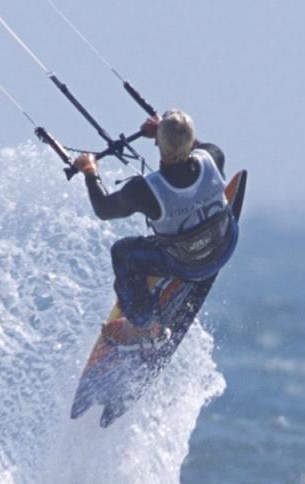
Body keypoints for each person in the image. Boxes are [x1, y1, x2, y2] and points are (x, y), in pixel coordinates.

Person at [72, 109, 238, 331]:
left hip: (186, 265)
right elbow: (196, 146)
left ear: (159, 143)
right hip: (224, 246)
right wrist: (165, 131)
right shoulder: (214, 156)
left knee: (123, 253)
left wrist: (90, 171)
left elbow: (103, 209)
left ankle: (143, 323)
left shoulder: (144, 190)